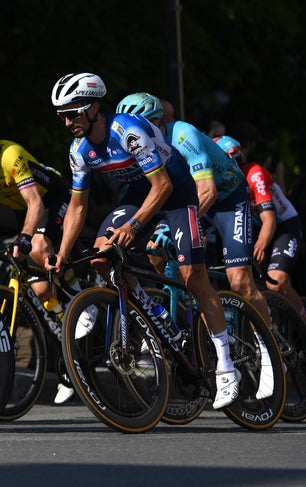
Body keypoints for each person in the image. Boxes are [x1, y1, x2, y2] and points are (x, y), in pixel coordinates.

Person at [47, 72, 240, 409]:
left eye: (72, 112)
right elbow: (78, 205)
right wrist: (62, 253)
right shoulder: (79, 149)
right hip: (139, 193)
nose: (66, 122)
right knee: (99, 257)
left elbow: (163, 186)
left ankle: (226, 365)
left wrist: (133, 226)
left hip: (176, 192)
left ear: (94, 107)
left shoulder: (128, 131)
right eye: (61, 114)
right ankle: (157, 314)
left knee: (193, 277)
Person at [0, 107, 89, 404]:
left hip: (52, 198)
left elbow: (35, 203)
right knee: (38, 287)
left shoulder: (10, 156)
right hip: (23, 210)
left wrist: (25, 237)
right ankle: (71, 359)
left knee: (37, 247)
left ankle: (82, 300)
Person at [116, 93, 272, 327]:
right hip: (190, 200)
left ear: (156, 123)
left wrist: (171, 227)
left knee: (239, 282)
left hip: (227, 199)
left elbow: (208, 192)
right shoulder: (140, 146)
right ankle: (187, 308)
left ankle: (270, 347)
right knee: (155, 249)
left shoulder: (183, 135)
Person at [215, 135, 306, 320]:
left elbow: (269, 219)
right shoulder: (222, 181)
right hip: (259, 228)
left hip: (283, 228)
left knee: (276, 283)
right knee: (246, 283)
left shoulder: (254, 173)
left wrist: (260, 245)